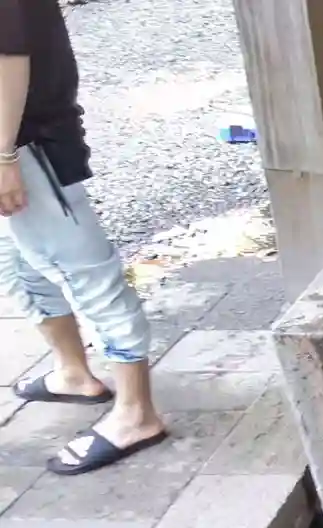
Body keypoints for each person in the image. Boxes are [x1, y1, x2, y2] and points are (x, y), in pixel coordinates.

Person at [0, 0, 167, 475]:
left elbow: (9, 55)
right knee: (19, 262)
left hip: (28, 144)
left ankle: (136, 414)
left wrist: (3, 156)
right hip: (17, 144)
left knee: (84, 271)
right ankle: (73, 372)